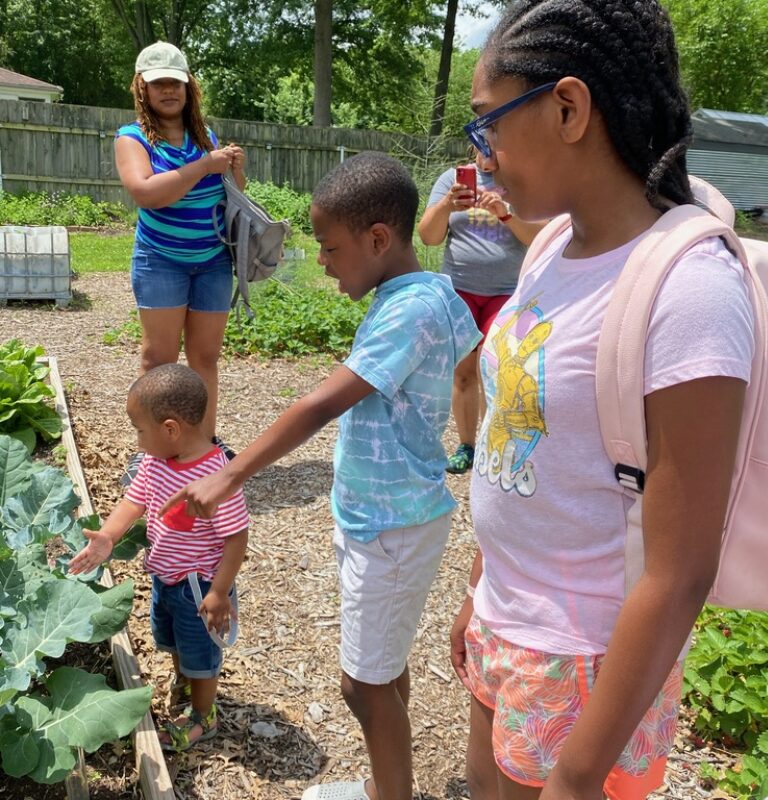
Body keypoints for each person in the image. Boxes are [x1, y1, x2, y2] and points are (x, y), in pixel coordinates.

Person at [448, 2, 755, 799]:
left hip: (584, 658)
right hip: (507, 621)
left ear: (568, 107)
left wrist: (580, 774)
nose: (481, 155)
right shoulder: (552, 241)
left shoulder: (689, 288)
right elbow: (530, 447)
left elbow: (682, 568)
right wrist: (482, 588)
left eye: (488, 125)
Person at [160, 152, 481, 800]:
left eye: (331, 248)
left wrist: (230, 475)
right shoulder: (432, 293)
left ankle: (387, 795)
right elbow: (469, 360)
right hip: (396, 515)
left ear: (378, 239)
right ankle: (386, 784)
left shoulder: (408, 310)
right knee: (382, 671)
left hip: (390, 524)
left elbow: (320, 403)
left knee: (359, 685)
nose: (325, 262)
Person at [69, 363, 249, 752]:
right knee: (174, 641)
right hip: (164, 579)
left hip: (199, 589)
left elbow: (236, 538)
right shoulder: (157, 462)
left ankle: (204, 715)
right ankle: (185, 680)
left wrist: (219, 593)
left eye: (139, 430)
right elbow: (134, 500)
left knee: (202, 652)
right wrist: (108, 537)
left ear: (170, 429)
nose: (137, 442)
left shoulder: (217, 478)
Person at [115, 41, 245, 476]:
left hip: (212, 262)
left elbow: (231, 198)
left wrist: (232, 170)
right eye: (158, 83)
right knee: (159, 361)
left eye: (176, 82)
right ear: (142, 89)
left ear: (189, 87)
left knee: (205, 360)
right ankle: (152, 454)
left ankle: (202, 448)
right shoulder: (131, 138)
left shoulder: (204, 137)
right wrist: (204, 166)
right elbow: (147, 193)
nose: (168, 90)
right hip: (161, 260)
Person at [418, 153, 544, 474]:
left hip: (505, 292)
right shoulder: (452, 180)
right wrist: (447, 204)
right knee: (463, 373)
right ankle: (467, 446)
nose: (488, 153)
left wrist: (505, 214)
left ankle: (493, 445)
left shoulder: (520, 181)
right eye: (482, 144)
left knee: (496, 371)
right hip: (460, 289)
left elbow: (539, 237)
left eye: (495, 143)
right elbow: (428, 237)